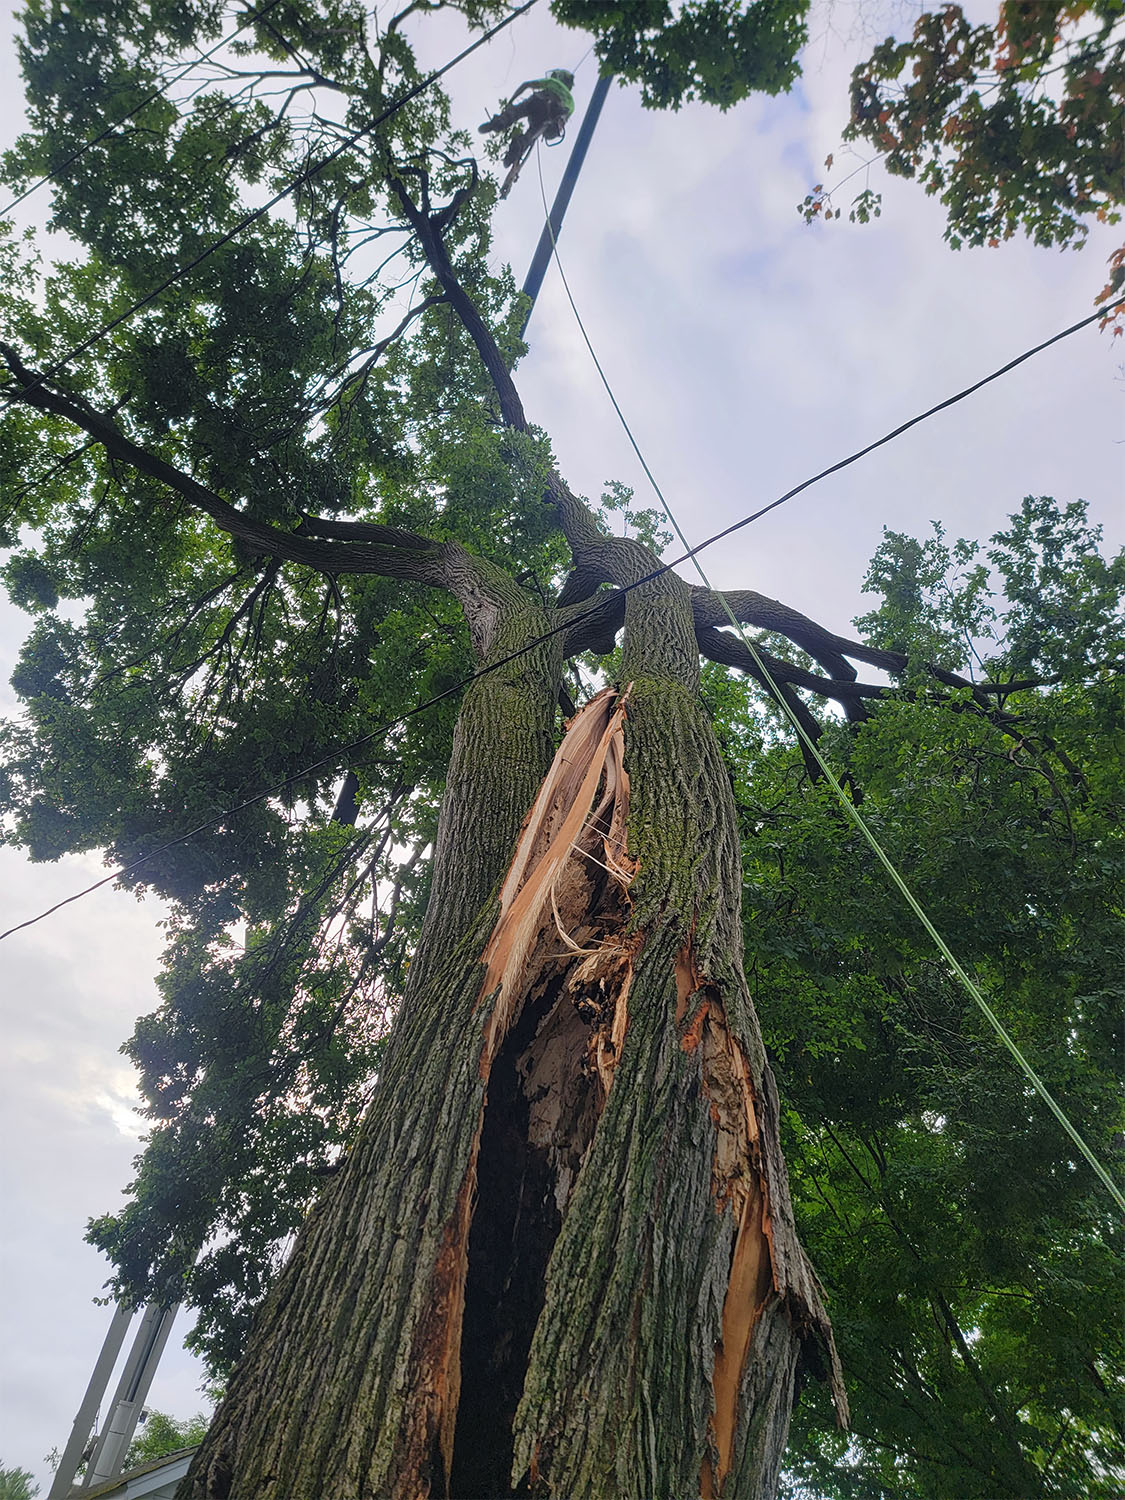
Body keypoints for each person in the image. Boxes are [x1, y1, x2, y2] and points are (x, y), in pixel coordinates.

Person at [480, 69, 575, 169]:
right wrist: (551, 131)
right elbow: (562, 121)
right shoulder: (571, 103)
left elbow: (526, 85)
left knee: (517, 112)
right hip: (550, 115)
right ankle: (519, 146)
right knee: (531, 135)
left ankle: (501, 121)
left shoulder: (553, 82)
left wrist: (511, 102)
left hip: (539, 100)